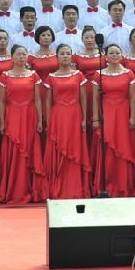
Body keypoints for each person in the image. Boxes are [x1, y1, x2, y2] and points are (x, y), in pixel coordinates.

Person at [0, 45, 45, 204]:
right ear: (12, 57)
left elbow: (38, 99)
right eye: (19, 54)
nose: (22, 56)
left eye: (24, 54)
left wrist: (39, 119)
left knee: (29, 148)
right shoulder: (5, 76)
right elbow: (1, 101)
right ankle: (14, 189)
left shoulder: (34, 75)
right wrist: (2, 121)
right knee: (14, 150)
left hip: (29, 115)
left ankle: (32, 189)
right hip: (12, 115)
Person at [44, 44, 92, 198]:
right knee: (59, 147)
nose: (65, 56)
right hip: (58, 115)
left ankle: (75, 186)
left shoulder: (78, 75)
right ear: (56, 57)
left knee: (75, 147)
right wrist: (49, 121)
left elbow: (83, 98)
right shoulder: (51, 77)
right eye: (62, 53)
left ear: (72, 56)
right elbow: (48, 101)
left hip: (74, 114)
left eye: (68, 53)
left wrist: (84, 118)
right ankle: (58, 186)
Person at [91, 44, 135, 197]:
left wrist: (133, 116)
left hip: (123, 112)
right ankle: (107, 185)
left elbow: (132, 97)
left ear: (122, 55)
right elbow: (95, 98)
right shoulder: (99, 74)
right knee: (107, 147)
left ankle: (123, 185)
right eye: (111, 53)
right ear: (105, 56)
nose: (115, 55)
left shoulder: (129, 74)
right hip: (106, 112)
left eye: (117, 52)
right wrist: (96, 118)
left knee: (123, 145)